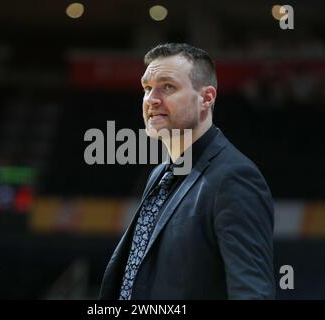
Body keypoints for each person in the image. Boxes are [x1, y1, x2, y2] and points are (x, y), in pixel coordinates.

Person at [99, 43, 275, 299]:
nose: (152, 99)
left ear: (206, 98)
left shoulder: (234, 178)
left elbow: (252, 293)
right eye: (147, 88)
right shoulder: (160, 173)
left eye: (168, 87)